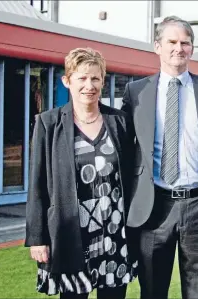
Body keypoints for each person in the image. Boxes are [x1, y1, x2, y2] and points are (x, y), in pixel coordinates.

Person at [120, 16, 198, 299]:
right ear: (157, 46)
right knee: (152, 291)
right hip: (154, 205)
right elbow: (125, 147)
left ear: (192, 48)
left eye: (185, 43)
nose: (178, 48)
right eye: (172, 42)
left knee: (197, 291)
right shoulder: (136, 92)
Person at [25, 47, 137, 299]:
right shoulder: (48, 123)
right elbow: (37, 184)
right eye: (82, 78)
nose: (89, 85)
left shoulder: (120, 122)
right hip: (71, 235)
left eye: (95, 78)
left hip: (115, 234)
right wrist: (37, 238)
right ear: (67, 81)